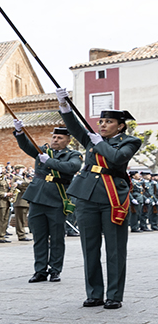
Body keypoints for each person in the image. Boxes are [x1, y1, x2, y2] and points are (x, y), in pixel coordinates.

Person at [56, 93, 142, 309]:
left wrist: (99, 143)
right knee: (90, 247)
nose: (103, 125)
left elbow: (118, 158)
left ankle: (114, 295)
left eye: (109, 122)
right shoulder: (92, 138)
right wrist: (64, 107)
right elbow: (75, 128)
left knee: (115, 248)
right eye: (101, 121)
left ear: (120, 126)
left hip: (113, 197)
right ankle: (94, 293)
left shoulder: (130, 141)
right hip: (87, 196)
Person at [12, 123, 82, 282]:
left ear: (67, 140)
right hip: (37, 197)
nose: (55, 140)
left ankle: (55, 269)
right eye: (54, 137)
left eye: (60, 138)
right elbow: (26, 146)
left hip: (57, 199)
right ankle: (40, 270)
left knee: (57, 237)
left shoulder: (73, 155)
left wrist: (49, 161)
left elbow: (71, 168)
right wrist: (19, 132)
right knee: (39, 236)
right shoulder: (42, 151)